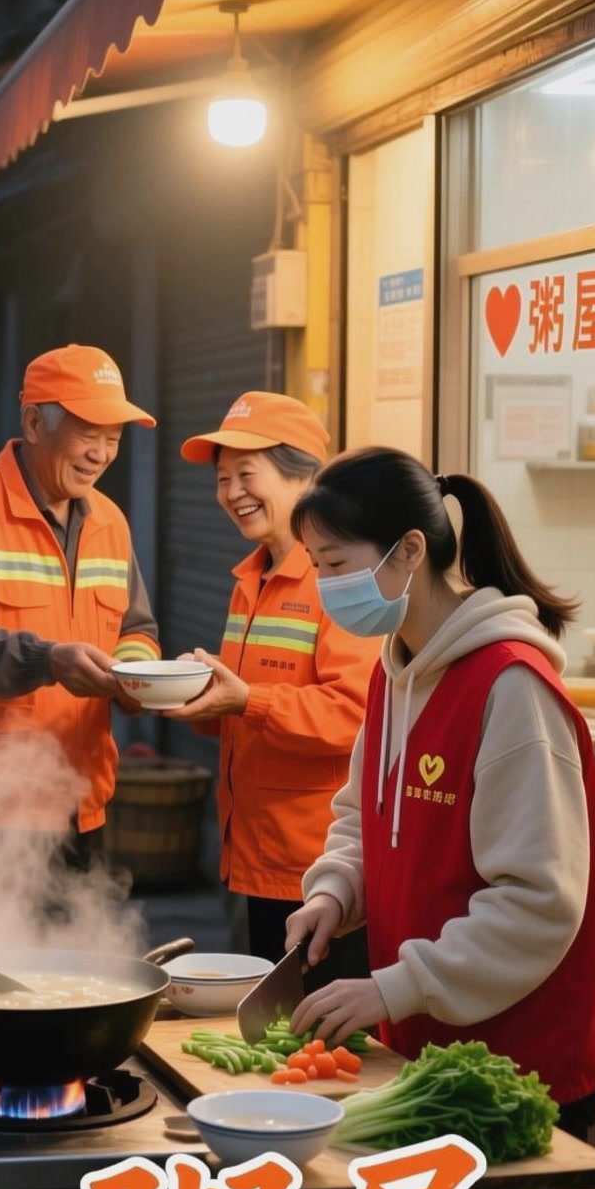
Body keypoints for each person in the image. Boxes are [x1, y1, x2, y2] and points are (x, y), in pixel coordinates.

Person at [284, 447, 595, 1137]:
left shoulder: (511, 687)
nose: (325, 587)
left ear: (410, 550)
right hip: (427, 1039)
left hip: (525, 1057)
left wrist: (393, 987)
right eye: (316, 566)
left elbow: (538, 903)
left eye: (337, 563)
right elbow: (364, 815)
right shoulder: (395, 673)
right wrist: (333, 892)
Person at [0, 343, 160, 867]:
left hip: (80, 802)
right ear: (33, 423)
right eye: (89, 434)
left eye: (113, 439)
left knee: (85, 924)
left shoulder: (110, 522)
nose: (101, 454)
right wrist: (45, 661)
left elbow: (137, 629)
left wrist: (133, 675)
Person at [169, 393, 379, 971]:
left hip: (322, 870)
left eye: (246, 474)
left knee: (315, 1020)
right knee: (272, 1018)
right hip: (253, 856)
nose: (231, 492)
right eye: (222, 479)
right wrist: (203, 697)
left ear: (303, 475)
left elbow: (357, 715)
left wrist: (247, 701)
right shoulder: (251, 580)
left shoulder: (337, 580)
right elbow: (247, 707)